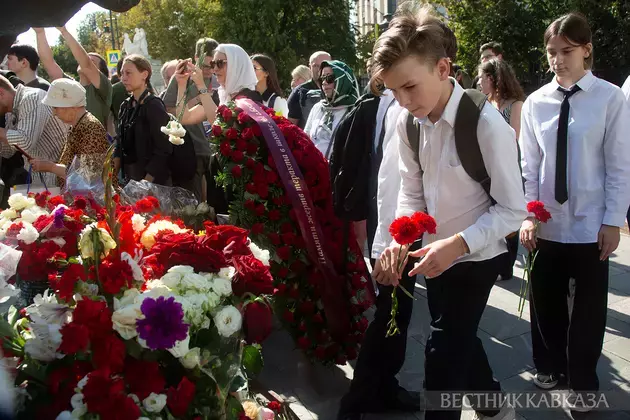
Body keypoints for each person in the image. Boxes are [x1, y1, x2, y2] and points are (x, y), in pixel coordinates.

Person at [371, 4, 527, 420]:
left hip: (477, 254)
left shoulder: (487, 125)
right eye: (394, 92)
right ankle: (497, 409)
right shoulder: (407, 123)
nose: (403, 102)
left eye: (409, 87)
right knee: (461, 339)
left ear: (443, 69)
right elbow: (411, 192)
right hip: (431, 258)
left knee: (442, 350)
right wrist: (398, 240)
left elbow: (514, 210)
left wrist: (457, 245)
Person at [337, 18, 459, 420]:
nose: (404, 94)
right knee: (392, 313)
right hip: (396, 231)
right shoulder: (386, 107)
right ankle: (357, 402)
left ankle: (383, 389)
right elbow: (383, 175)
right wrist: (384, 239)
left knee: (404, 318)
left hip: (420, 230)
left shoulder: (433, 105)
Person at [519, 13, 630, 412]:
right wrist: (528, 215)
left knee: (587, 310)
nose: (558, 60)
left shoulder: (610, 98)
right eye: (552, 52)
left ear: (586, 50)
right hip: (546, 222)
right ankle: (549, 366)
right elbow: (528, 166)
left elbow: (620, 165)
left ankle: (583, 380)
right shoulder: (536, 103)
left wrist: (613, 220)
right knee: (544, 301)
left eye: (567, 51)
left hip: (590, 223)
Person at [174, 43, 263, 215]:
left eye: (220, 63)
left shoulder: (249, 97)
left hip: (241, 179)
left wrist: (201, 88)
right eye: (213, 64)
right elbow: (184, 117)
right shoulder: (220, 95)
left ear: (237, 64)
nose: (215, 69)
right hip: (219, 171)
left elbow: (219, 126)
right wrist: (181, 84)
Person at [478, 58, 526, 280]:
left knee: (509, 213)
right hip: (488, 166)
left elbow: (514, 136)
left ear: (492, 79)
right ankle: (495, 260)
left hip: (508, 164)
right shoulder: (485, 103)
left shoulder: (515, 104)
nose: (479, 83)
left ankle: (506, 267)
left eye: (481, 78)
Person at [163, 37, 219, 202]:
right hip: (189, 147)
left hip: (213, 149)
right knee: (191, 200)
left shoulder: (219, 76)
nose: (210, 70)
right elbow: (168, 109)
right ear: (196, 58)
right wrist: (195, 102)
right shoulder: (182, 75)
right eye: (205, 65)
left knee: (212, 201)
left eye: (213, 65)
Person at [29, 79, 110, 188]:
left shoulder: (90, 127)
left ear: (71, 106)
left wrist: (50, 167)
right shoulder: (78, 125)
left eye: (56, 107)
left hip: (94, 202)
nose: (54, 113)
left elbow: (89, 174)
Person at [114, 55, 176, 186]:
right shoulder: (125, 106)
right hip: (130, 180)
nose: (123, 78)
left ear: (144, 74)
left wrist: (146, 182)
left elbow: (164, 148)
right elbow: (120, 143)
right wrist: (111, 176)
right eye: (122, 73)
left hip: (154, 183)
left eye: (128, 73)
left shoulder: (153, 105)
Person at [34, 26, 112, 127]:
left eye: (92, 62)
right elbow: (49, 63)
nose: (82, 61)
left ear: (100, 72)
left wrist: (64, 30)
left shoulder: (104, 89)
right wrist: (40, 33)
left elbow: (86, 65)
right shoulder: (71, 86)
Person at [0, 74, 67, 186]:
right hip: (42, 181)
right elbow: (8, 152)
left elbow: (25, 142)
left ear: (1, 93)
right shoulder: (10, 111)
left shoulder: (32, 98)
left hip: (62, 178)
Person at [303, 60, 359, 159]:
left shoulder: (355, 111)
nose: (324, 83)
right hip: (313, 170)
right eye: (322, 79)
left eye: (330, 78)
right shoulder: (318, 107)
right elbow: (305, 139)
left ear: (342, 80)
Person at [287, 50, 331, 128]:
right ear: (310, 67)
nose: (320, 69)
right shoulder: (299, 92)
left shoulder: (340, 90)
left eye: (324, 65)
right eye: (316, 66)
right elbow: (290, 127)